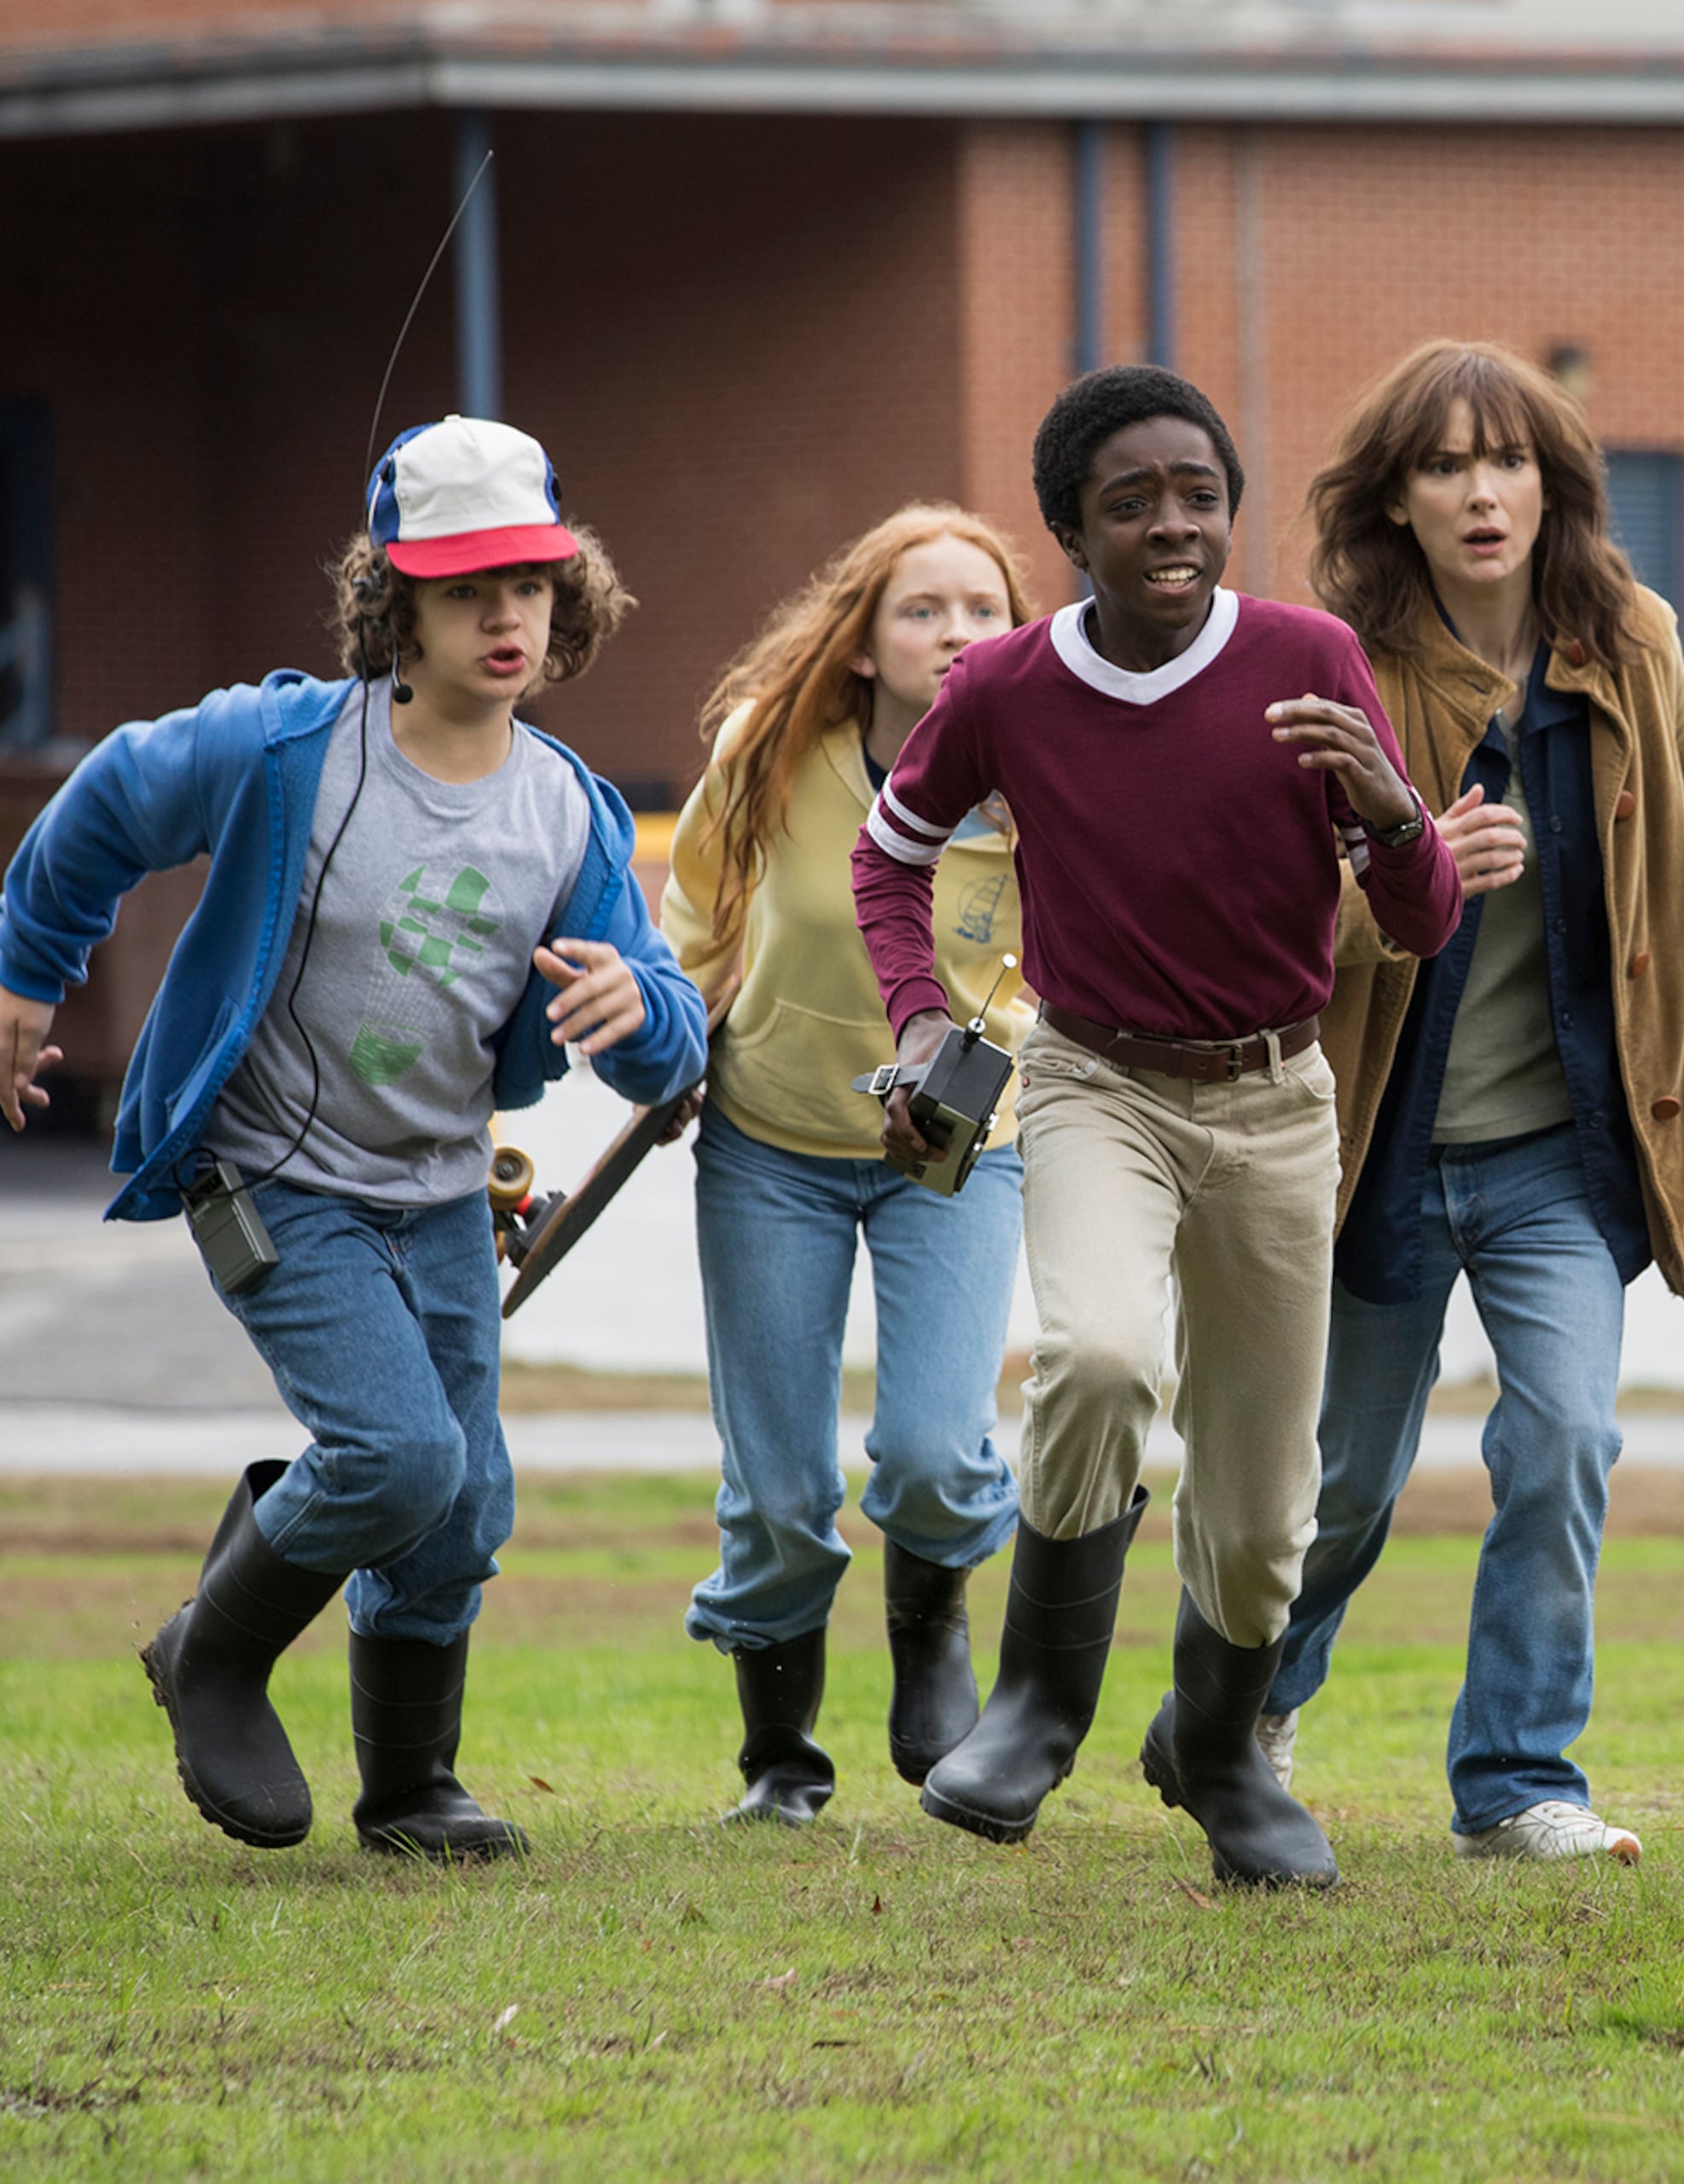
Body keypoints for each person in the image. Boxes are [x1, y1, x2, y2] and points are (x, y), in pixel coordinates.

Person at [0, 415, 704, 1858]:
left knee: (464, 1502)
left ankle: (412, 1789)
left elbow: (667, 1033)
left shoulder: (568, 813)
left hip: (439, 1189)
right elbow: (108, 801)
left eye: (529, 584)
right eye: (467, 590)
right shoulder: (283, 751)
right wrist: (26, 969)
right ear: (397, 602)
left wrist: (643, 1011)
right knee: (399, 1457)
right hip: (267, 1174)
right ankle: (212, 1651)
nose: (505, 617)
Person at [852, 365, 1460, 1888]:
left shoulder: (1310, 658)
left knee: (1262, 1503)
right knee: (1103, 1357)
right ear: (1072, 532)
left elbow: (1424, 918)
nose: (1173, 524)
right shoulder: (1004, 689)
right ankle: (1037, 1707)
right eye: (1132, 503)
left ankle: (1217, 1750)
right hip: (1093, 1081)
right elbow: (888, 858)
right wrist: (921, 1022)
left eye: (1199, 495)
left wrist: (1393, 809)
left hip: (1277, 1098)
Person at [1260, 340, 1684, 1863]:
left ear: (1552, 487)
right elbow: (1271, 912)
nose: (1481, 493)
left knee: (1567, 1440)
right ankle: (1248, 1717)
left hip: (1558, 1153)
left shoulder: (1628, 638)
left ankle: (1519, 1781)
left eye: (1508, 461)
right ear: (1395, 500)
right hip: (1379, 1145)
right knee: (1342, 1484)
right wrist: (1413, 884)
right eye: (1444, 465)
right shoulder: (1335, 663)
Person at [659, 505, 1042, 1825]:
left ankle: (931, 1625)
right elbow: (697, 908)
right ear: (866, 643)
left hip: (959, 1152)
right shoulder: (769, 746)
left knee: (934, 1447)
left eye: (983, 610)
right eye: (922, 610)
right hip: (770, 1143)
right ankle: (780, 1758)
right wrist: (671, 1041)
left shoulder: (1043, 782)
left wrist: (982, 1089)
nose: (955, 633)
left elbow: (1061, 974)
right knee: (778, 1483)